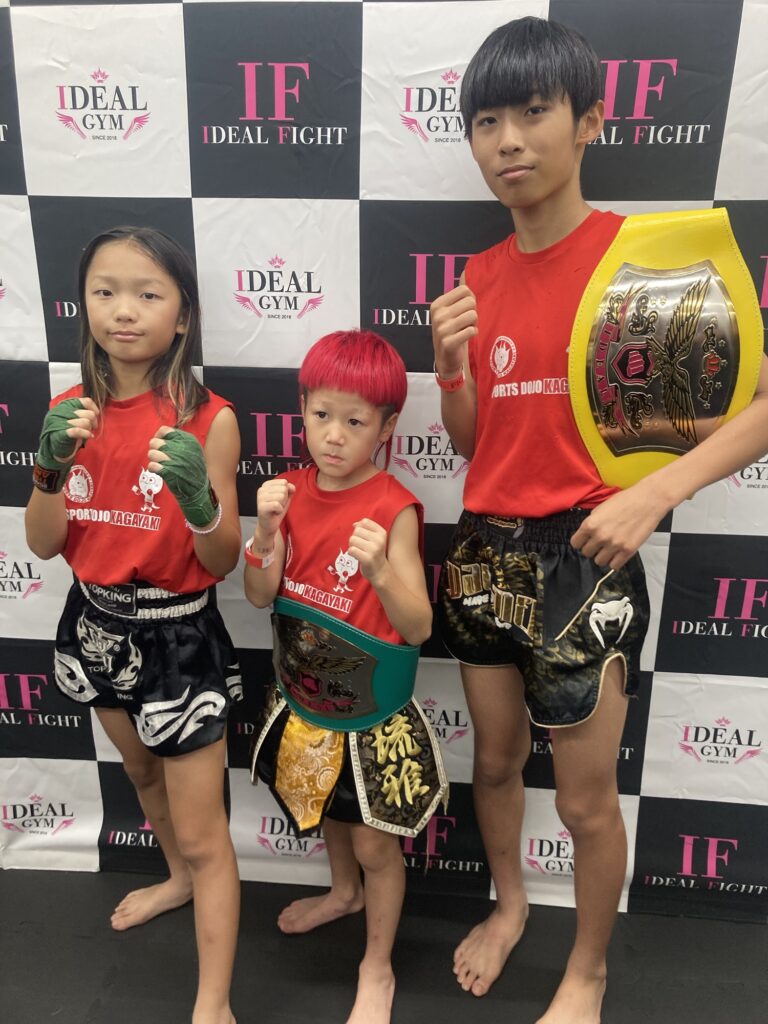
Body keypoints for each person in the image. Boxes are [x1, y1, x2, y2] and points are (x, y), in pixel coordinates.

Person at [429, 16, 768, 1024]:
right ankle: (508, 904)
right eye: (486, 121)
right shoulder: (478, 277)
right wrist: (449, 369)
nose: (508, 142)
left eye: (534, 112)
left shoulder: (642, 259)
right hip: (483, 553)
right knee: (494, 762)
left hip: (585, 558)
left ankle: (588, 972)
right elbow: (473, 440)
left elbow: (757, 406)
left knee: (583, 801)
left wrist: (656, 493)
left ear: (589, 121)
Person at [25, 226, 243, 1024]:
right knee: (143, 776)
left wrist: (201, 504)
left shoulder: (209, 418)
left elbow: (222, 560)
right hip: (95, 620)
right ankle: (176, 879)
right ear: (82, 305)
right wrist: (47, 468)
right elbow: (42, 544)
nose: (124, 310)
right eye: (106, 291)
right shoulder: (68, 412)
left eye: (148, 294)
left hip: (178, 636)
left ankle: (213, 1002)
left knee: (206, 833)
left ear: (181, 315)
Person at [245, 329, 448, 1024]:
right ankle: (342, 893)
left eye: (356, 422)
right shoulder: (287, 493)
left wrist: (382, 572)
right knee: (327, 810)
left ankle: (377, 964)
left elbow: (418, 627)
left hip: (371, 711)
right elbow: (258, 596)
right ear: (302, 411)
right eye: (322, 415)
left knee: (374, 842)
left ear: (386, 428)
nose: (334, 435)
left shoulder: (393, 506)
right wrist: (265, 534)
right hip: (305, 699)